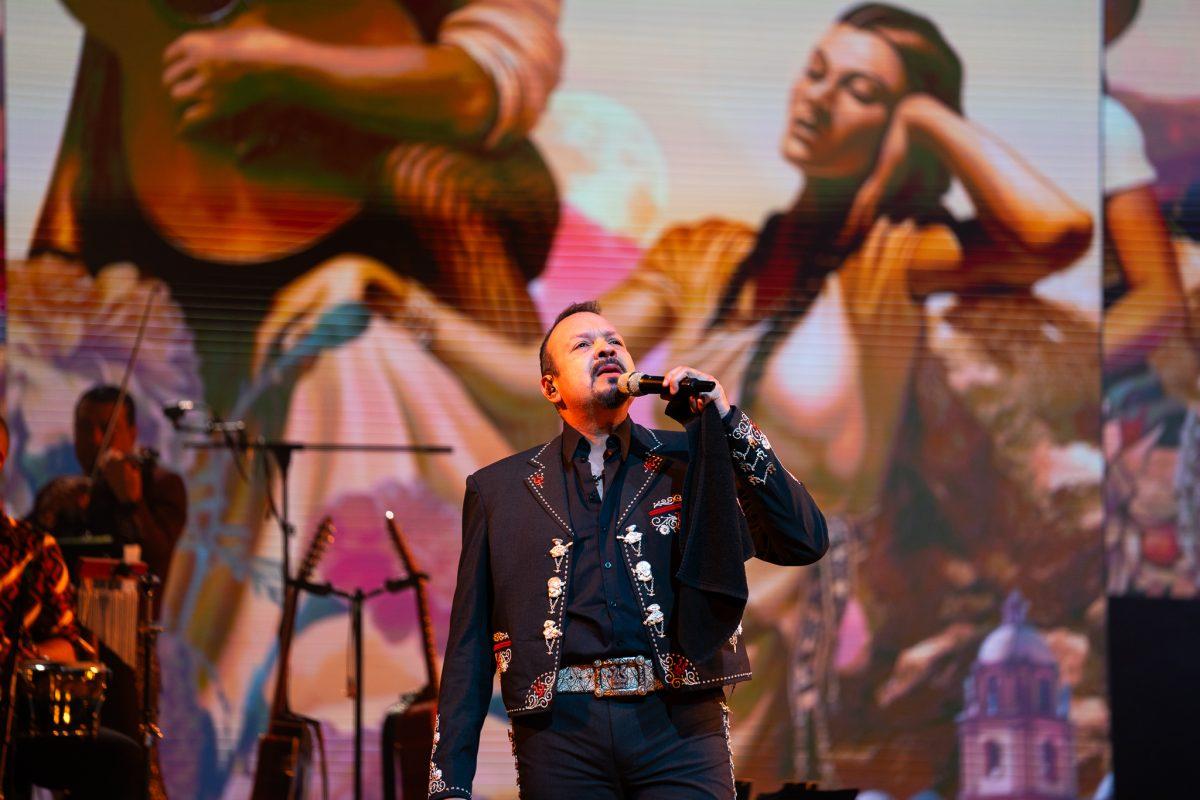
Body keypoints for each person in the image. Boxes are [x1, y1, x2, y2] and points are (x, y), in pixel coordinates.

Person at [363, 3, 1094, 791]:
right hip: (629, 666)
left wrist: (923, 114)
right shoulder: (705, 256)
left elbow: (1053, 231)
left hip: (788, 636)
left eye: (857, 90)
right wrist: (397, 301)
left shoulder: (889, 261)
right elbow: (537, 376)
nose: (816, 97)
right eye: (815, 72)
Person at [430, 301, 828, 799]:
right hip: (560, 738)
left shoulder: (689, 460)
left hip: (680, 729)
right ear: (549, 387)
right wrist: (449, 785)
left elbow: (804, 538)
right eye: (583, 345)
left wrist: (724, 419)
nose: (605, 349)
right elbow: (468, 648)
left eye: (614, 341)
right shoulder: (499, 490)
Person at [0, 413, 144, 799]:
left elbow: (68, 641)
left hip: (16, 716)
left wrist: (18, 656)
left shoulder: (31, 548)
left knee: (122, 757)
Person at [32, 385, 187, 594]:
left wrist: (132, 503)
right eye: (85, 428)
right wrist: (46, 516)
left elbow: (156, 555)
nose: (95, 439)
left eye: (107, 429)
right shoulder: (58, 492)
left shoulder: (161, 484)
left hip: (130, 620)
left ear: (132, 434)